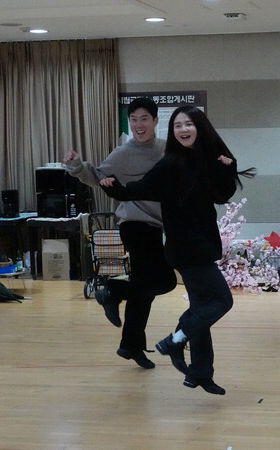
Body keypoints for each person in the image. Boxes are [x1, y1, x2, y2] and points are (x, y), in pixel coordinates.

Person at [100, 105, 255, 395]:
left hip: (201, 246)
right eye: (177, 126)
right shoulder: (171, 164)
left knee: (201, 309)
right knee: (222, 300)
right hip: (187, 249)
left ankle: (200, 372)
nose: (183, 129)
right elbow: (139, 189)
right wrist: (114, 188)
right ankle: (176, 340)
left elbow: (221, 195)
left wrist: (227, 169)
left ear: (200, 128)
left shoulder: (203, 161)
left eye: (188, 124)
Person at [62, 97, 178, 369]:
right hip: (134, 225)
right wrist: (76, 165)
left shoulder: (167, 150)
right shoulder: (124, 152)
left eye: (144, 119)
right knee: (165, 281)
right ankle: (113, 290)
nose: (139, 124)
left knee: (143, 289)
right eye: (133, 119)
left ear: (155, 121)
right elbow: (97, 175)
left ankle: (130, 346)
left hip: (156, 226)